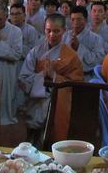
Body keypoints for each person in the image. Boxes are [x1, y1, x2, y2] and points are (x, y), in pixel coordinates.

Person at [18, 14, 83, 145]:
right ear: (44, 29)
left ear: (64, 31)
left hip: (59, 104)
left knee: (53, 141)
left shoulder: (71, 56)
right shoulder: (36, 52)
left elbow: (77, 84)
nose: (52, 35)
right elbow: (23, 78)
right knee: (33, 139)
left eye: (56, 31)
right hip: (36, 103)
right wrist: (42, 76)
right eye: (49, 30)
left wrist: (54, 76)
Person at [62, 5, 105, 78]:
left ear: (85, 20)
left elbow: (98, 60)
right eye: (73, 19)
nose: (76, 22)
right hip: (66, 75)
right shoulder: (65, 36)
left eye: (79, 19)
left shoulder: (96, 38)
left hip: (86, 76)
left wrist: (79, 47)